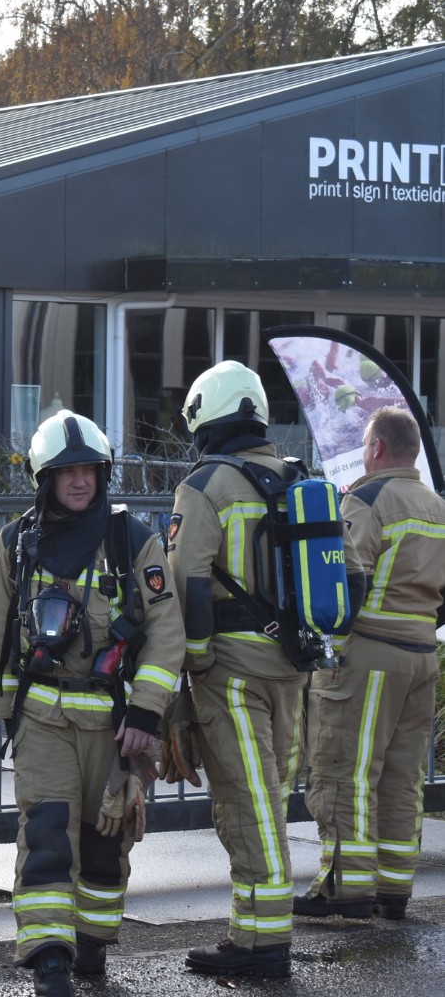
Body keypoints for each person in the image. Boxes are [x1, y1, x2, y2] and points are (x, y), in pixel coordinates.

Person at [0, 409, 184, 997]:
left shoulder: (133, 541)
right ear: (45, 478)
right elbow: (3, 640)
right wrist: (9, 719)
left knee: (106, 840)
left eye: (89, 470)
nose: (80, 481)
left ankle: (93, 943)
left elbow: (166, 631)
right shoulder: (15, 543)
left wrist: (147, 714)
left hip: (113, 726)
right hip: (43, 722)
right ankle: (49, 955)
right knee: (47, 834)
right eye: (66, 471)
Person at [166, 361, 302, 978]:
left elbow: (189, 583)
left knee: (249, 805)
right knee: (269, 799)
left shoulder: (205, 485)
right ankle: (253, 933)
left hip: (232, 673)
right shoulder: (299, 478)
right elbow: (349, 574)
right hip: (293, 667)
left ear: (205, 420)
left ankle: (262, 944)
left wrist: (194, 663)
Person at [295, 408, 445, 921]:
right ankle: (393, 888)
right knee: (402, 778)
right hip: (422, 656)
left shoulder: (366, 499)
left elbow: (347, 579)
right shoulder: (438, 507)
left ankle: (345, 888)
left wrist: (329, 645)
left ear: (377, 447)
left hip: (369, 655)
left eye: (364, 446)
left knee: (346, 771)